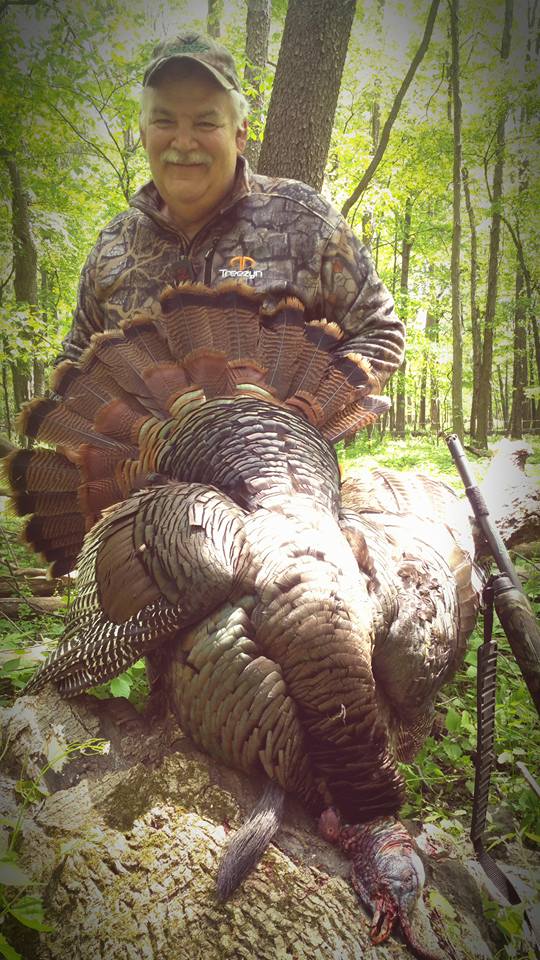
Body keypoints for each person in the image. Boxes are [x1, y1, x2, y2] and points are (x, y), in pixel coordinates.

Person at [59, 31, 405, 389]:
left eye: (205, 122)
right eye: (164, 121)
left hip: (282, 427)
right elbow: (75, 365)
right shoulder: (114, 245)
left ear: (240, 134)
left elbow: (380, 331)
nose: (183, 142)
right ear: (144, 133)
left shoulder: (304, 221)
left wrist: (302, 411)